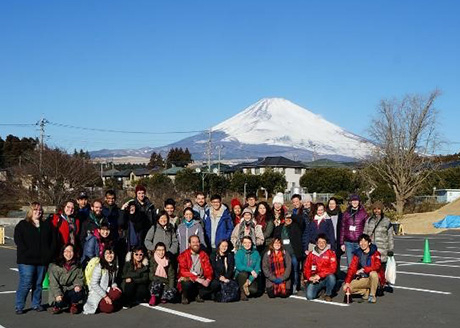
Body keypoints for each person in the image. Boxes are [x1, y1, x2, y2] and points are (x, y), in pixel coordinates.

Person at [14, 202, 55, 314]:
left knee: (38, 283)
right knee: (26, 283)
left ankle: (36, 304)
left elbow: (52, 241)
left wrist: (49, 253)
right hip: (26, 260)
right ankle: (19, 306)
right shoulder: (23, 225)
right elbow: (18, 240)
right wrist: (26, 251)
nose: (38, 212)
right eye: (36, 210)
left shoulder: (46, 225)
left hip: (42, 260)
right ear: (30, 211)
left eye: (40, 210)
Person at [177, 235, 217, 304]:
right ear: (189, 244)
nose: (196, 244)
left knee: (215, 284)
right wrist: (196, 279)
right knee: (186, 284)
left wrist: (208, 279)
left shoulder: (203, 254)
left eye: (197, 242)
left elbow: (209, 269)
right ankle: (185, 296)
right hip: (190, 279)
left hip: (201, 279)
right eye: (193, 242)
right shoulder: (183, 255)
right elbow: (183, 271)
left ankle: (199, 295)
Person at [343, 234, 382, 304]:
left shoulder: (375, 253)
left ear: (369, 243)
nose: (363, 244)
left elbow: (377, 266)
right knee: (347, 288)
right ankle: (365, 292)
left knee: (373, 274)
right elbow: (351, 268)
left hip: (374, 279)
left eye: (365, 241)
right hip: (363, 278)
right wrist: (347, 282)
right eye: (361, 242)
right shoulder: (358, 253)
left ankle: (372, 295)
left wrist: (365, 269)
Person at [364, 201, 394, 292]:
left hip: (382, 250)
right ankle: (373, 286)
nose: (377, 210)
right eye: (375, 209)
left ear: (381, 210)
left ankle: (381, 286)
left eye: (378, 209)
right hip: (371, 250)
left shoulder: (387, 221)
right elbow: (364, 234)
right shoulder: (369, 220)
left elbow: (390, 236)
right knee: (372, 269)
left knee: (381, 269)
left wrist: (391, 249)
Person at [83, 246, 122, 314]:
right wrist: (106, 297)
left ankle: (108, 302)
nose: (109, 255)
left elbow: (112, 281)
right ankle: (101, 304)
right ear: (103, 255)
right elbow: (94, 284)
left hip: (106, 289)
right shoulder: (99, 267)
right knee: (109, 309)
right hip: (97, 292)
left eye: (111, 253)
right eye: (107, 253)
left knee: (117, 292)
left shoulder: (113, 266)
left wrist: (114, 285)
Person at [48, 244, 85, 314]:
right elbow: (53, 282)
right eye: (66, 251)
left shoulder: (77, 265)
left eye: (71, 251)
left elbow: (79, 278)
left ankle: (73, 305)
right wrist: (57, 294)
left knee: (80, 291)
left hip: (69, 289)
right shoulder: (55, 265)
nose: (68, 254)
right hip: (58, 289)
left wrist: (77, 285)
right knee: (59, 301)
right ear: (62, 252)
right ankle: (57, 306)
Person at [304, 234, 337, 301]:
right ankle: (321, 290)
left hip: (325, 278)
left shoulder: (331, 253)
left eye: (323, 242)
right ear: (316, 243)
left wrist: (320, 275)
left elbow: (333, 268)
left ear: (326, 243)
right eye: (319, 242)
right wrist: (309, 277)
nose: (321, 244)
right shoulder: (311, 254)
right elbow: (306, 268)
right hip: (315, 279)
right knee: (309, 296)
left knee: (332, 277)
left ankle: (328, 294)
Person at [340, 195, 369, 267]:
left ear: (359, 202)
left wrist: (366, 242)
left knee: (361, 264)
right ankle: (352, 278)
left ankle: (360, 278)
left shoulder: (364, 214)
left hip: (360, 243)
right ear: (350, 202)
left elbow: (367, 228)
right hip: (348, 242)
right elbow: (342, 228)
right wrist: (342, 243)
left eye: (356, 200)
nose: (354, 202)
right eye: (353, 200)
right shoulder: (346, 213)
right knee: (350, 265)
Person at [235, 236, 261, 301]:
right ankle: (242, 292)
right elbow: (239, 266)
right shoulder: (239, 253)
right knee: (243, 274)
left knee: (253, 290)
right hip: (240, 275)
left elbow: (257, 268)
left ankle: (246, 286)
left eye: (249, 242)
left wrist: (250, 280)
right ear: (242, 244)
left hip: (251, 276)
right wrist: (251, 270)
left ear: (252, 243)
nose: (247, 244)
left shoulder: (256, 253)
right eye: (245, 243)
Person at [326, 197, 343, 271]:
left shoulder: (340, 215)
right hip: (327, 241)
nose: (331, 205)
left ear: (336, 205)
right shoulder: (325, 214)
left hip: (337, 240)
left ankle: (336, 276)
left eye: (333, 203)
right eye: (330, 203)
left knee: (336, 259)